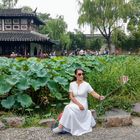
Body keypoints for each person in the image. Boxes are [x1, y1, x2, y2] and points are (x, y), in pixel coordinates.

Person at [52, 68, 105, 136]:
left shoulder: (86, 85)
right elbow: (71, 96)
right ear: (75, 75)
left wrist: (99, 97)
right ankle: (65, 127)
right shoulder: (72, 84)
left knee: (67, 107)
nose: (81, 76)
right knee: (70, 111)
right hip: (74, 103)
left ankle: (60, 127)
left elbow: (93, 93)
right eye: (79, 74)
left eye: (83, 74)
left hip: (83, 104)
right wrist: (79, 104)